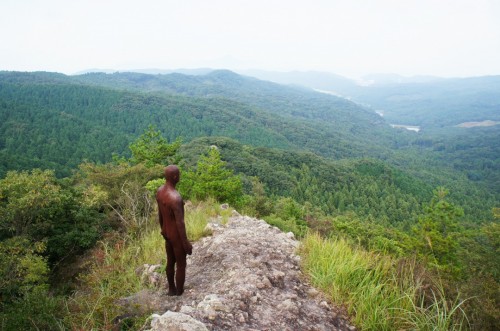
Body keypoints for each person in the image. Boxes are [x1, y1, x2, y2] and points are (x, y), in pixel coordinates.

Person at [156, 165, 192, 296]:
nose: (180, 176)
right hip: (176, 236)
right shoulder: (175, 198)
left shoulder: (160, 191)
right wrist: (185, 243)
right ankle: (179, 293)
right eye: (179, 174)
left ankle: (171, 289)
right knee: (181, 265)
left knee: (170, 262)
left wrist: (162, 229)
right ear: (175, 177)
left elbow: (160, 214)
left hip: (166, 233)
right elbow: (180, 223)